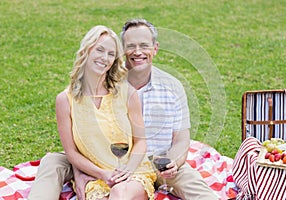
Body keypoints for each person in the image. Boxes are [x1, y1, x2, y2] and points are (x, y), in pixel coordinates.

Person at [29, 19, 218, 200]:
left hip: (154, 160)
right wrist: (80, 173)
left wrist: (173, 162)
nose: (138, 52)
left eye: (144, 45)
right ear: (122, 51)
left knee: (193, 185)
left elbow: (181, 138)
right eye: (131, 46)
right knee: (52, 162)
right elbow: (76, 143)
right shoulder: (107, 79)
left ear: (155, 48)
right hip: (97, 157)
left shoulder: (171, 86)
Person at [29, 25, 156, 200]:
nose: (105, 58)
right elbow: (72, 153)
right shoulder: (65, 100)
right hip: (96, 176)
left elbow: (140, 141)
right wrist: (102, 174)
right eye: (100, 50)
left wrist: (128, 170)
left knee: (119, 193)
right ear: (87, 50)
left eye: (111, 54)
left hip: (132, 171)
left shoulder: (127, 93)